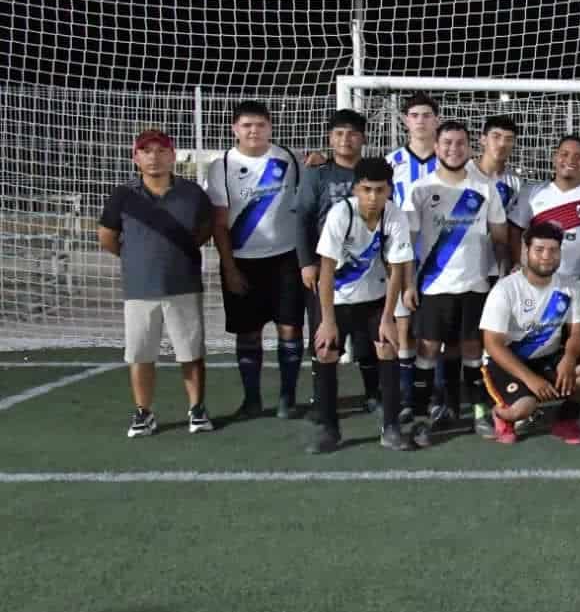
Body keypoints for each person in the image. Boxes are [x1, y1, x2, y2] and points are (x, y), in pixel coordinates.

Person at [98, 129, 215, 437]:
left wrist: (180, 253)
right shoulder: (123, 196)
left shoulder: (192, 194)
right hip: (139, 288)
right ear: (136, 157)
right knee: (140, 354)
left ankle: (197, 410)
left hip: (183, 284)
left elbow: (205, 229)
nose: (154, 157)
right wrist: (137, 258)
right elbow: (107, 237)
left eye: (161, 150)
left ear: (173, 156)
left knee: (190, 352)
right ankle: (143, 413)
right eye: (146, 151)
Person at [402, 120, 510, 446]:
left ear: (469, 147)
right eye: (447, 143)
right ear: (436, 147)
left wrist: (502, 275)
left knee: (472, 351)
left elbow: (500, 236)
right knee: (427, 352)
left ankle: (479, 411)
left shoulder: (484, 188)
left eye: (460, 143)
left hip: (475, 286)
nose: (453, 148)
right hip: (434, 286)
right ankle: (423, 416)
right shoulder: (420, 189)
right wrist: (408, 285)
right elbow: (407, 242)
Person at [206, 100, 305, 420]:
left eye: (260, 125)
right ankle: (252, 401)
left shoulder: (288, 159)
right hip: (242, 261)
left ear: (270, 127)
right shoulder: (221, 165)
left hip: (285, 259)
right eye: (247, 125)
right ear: (235, 128)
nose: (254, 131)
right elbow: (219, 223)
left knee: (290, 329)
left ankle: (287, 399)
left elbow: (305, 204)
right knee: (248, 332)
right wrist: (230, 267)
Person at [310, 157, 413, 454]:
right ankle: (329, 428)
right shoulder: (341, 214)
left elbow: (396, 269)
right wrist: (327, 320)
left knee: (387, 345)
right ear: (355, 189)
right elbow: (326, 270)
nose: (373, 197)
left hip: (375, 298)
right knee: (326, 351)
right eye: (367, 189)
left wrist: (388, 317)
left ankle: (391, 428)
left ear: (389, 190)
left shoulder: (394, 216)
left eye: (380, 190)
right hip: (337, 300)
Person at [479, 222, 580, 445]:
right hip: (508, 363)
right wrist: (531, 380)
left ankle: (566, 420)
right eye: (539, 250)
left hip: (547, 358)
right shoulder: (505, 289)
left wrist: (569, 358)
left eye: (553, 250)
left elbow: (578, 332)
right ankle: (501, 415)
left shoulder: (569, 286)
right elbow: (492, 344)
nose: (546, 256)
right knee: (524, 408)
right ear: (526, 251)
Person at [296, 109, 375, 409]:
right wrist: (306, 262)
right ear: (330, 138)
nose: (346, 139)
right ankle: (323, 398)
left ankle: (373, 395)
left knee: (368, 336)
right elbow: (302, 219)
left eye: (353, 133)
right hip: (327, 270)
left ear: (363, 138)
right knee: (326, 335)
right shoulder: (317, 174)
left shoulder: (372, 172)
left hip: (367, 268)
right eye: (339, 133)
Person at [509, 134, 580, 318]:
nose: (570, 160)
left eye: (578, 156)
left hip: (579, 290)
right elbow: (513, 231)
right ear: (555, 158)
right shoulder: (532, 193)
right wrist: (517, 265)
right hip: (535, 286)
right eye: (565, 154)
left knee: (577, 345)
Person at [387, 92, 440, 419]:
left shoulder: (451, 158)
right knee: (404, 327)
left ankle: (437, 393)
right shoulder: (391, 162)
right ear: (406, 120)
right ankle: (408, 393)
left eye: (426, 114)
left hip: (442, 257)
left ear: (436, 119)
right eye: (414, 115)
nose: (420, 120)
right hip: (402, 257)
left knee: (437, 331)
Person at [468, 115, 525, 246]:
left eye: (509, 139)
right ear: (483, 140)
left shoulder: (515, 182)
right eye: (496, 136)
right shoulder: (463, 173)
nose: (502, 144)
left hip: (494, 259)